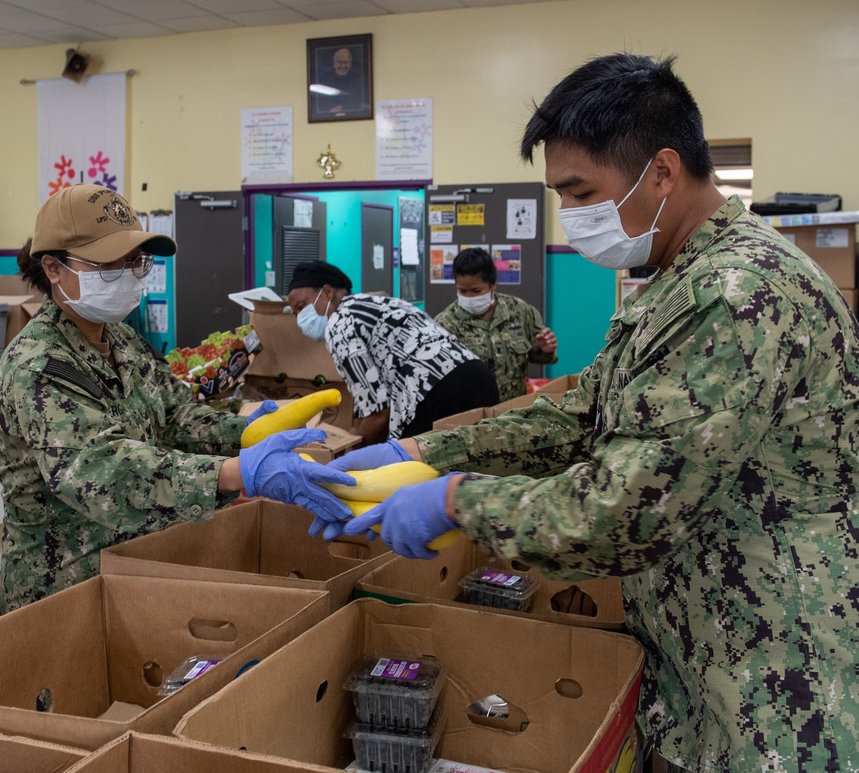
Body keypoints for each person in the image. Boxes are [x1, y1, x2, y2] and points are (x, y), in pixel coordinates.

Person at [325, 54, 859, 771]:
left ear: (662, 173)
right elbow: (580, 414)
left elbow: (627, 509)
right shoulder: (679, 283)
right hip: (704, 655)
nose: (572, 218)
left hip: (774, 687)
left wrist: (458, 501)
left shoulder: (735, 294)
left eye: (580, 193)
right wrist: (423, 454)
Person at [0, 185, 355, 614]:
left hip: (131, 571)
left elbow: (173, 415)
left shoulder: (122, 340)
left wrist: (249, 431)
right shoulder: (38, 365)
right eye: (110, 264)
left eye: (135, 261)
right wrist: (235, 472)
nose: (128, 274)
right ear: (53, 267)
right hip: (59, 591)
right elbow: (100, 471)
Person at [285, 260, 499, 449]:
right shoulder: (376, 303)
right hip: (478, 377)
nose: (301, 318)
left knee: (422, 474)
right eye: (296, 313)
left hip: (435, 392)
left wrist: (347, 455)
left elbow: (378, 412)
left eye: (303, 307)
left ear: (328, 292)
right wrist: (354, 432)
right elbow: (367, 402)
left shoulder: (339, 324)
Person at [435, 247, 557, 401]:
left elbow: (539, 358)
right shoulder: (445, 323)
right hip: (469, 415)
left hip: (512, 411)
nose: (469, 297)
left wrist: (544, 350)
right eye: (462, 291)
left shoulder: (519, 311)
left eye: (476, 290)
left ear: (493, 285)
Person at [315, 45, 366, 116]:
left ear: (350, 64)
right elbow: (319, 102)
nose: (343, 66)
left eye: (346, 62)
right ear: (334, 63)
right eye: (340, 62)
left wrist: (343, 107)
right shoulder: (324, 79)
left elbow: (358, 100)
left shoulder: (357, 79)